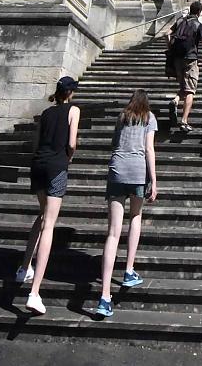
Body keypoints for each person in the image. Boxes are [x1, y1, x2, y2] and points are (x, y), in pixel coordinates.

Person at [94, 89, 158, 318]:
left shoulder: (122, 116)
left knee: (112, 233)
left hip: (117, 170)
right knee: (136, 217)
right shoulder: (149, 118)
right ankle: (129, 270)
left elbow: (114, 143)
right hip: (138, 171)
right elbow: (149, 149)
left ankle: (104, 296)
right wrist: (155, 180)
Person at [20, 76, 81, 315]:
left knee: (43, 215)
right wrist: (68, 158)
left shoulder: (46, 113)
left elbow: (35, 143)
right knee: (50, 225)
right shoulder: (73, 110)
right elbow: (72, 142)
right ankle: (34, 293)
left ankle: (24, 267)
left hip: (38, 165)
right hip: (56, 165)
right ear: (71, 93)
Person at [166, 1, 202, 133]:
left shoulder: (180, 21)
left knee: (184, 86)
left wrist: (170, 49)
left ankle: (176, 99)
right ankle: (184, 121)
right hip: (190, 59)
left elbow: (167, 33)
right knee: (190, 90)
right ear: (199, 12)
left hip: (177, 59)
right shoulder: (198, 25)